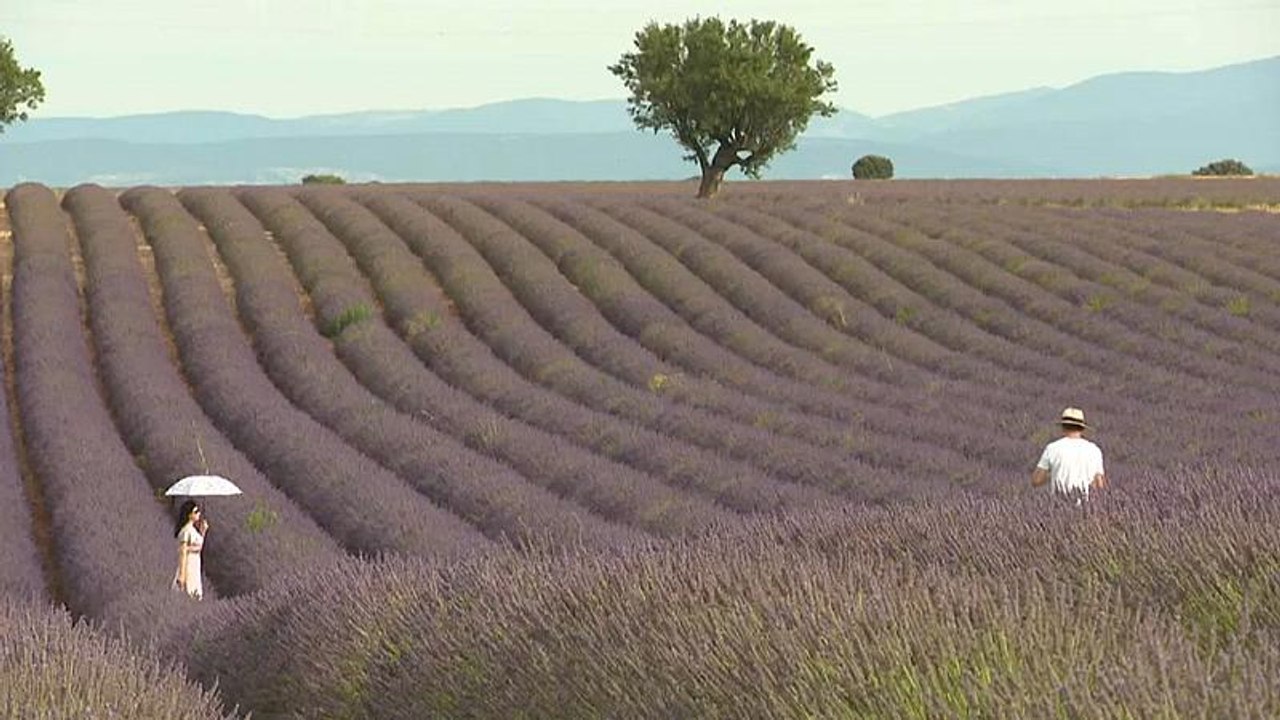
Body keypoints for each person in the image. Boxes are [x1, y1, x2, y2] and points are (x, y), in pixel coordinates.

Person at [1032, 407, 1106, 504]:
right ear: (1082, 428)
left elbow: (1036, 480)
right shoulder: (1094, 450)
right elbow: (1100, 485)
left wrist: (1053, 472)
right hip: (1086, 508)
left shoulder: (1052, 448)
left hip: (1058, 507)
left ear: (1063, 427)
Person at [172, 500, 209, 599]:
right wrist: (182, 575)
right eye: (196, 511)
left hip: (195, 565)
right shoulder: (186, 531)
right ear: (189, 515)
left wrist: (203, 532)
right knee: (188, 594)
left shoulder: (193, 530)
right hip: (189, 565)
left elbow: (199, 548)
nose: (199, 514)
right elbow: (183, 553)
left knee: (194, 594)